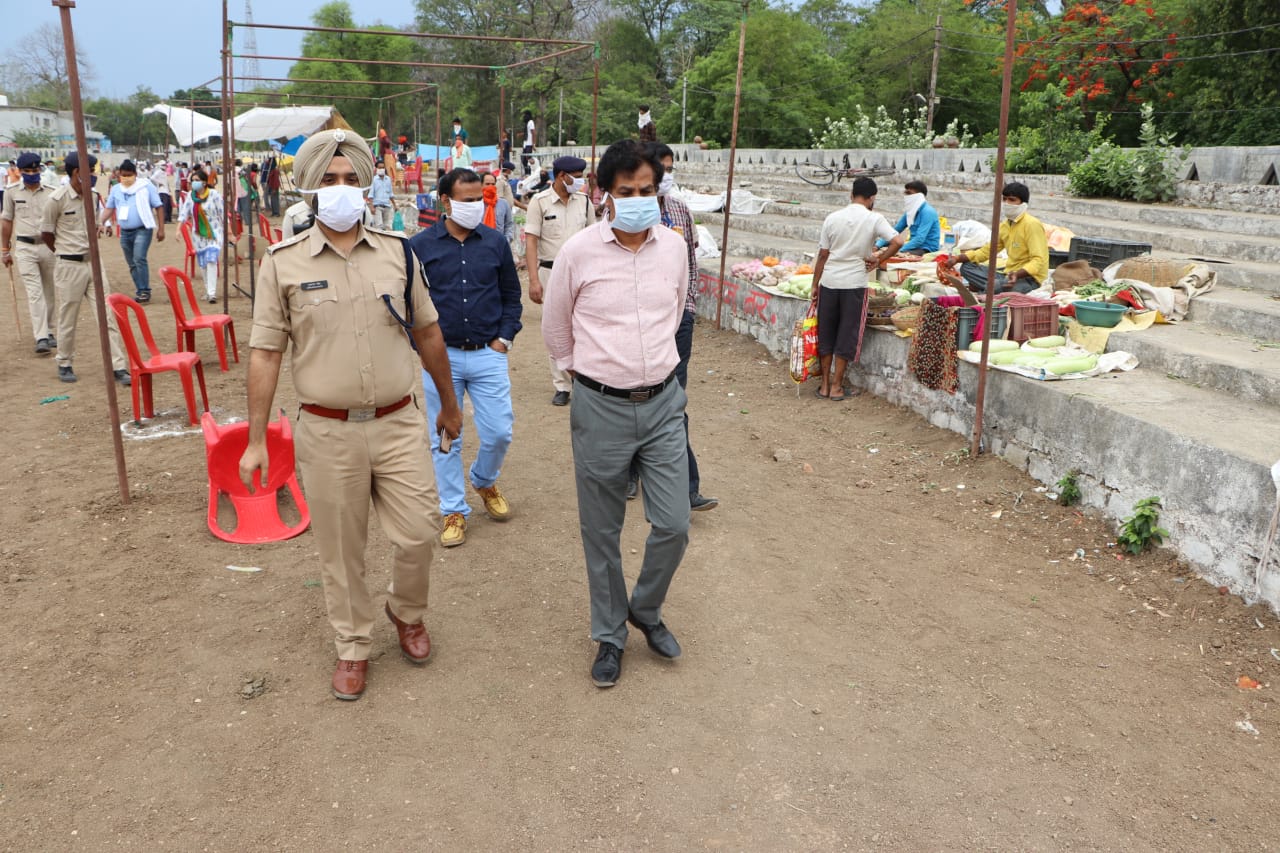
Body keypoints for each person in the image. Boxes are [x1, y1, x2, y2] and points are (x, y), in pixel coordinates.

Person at [240, 129, 462, 702]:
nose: (341, 189)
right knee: (341, 550)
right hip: (326, 429)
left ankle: (406, 613)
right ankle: (352, 646)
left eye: (350, 179)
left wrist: (450, 405)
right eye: (329, 181)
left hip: (398, 421)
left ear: (365, 184)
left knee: (419, 533)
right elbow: (266, 353)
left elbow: (429, 331)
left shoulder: (399, 252)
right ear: (311, 190)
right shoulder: (283, 264)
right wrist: (256, 439)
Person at [542, 139, 691, 688]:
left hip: (662, 403)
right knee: (601, 529)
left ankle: (644, 610)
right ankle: (609, 634)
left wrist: (648, 368)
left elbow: (673, 313)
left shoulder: (673, 248)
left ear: (658, 191)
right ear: (603, 193)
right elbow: (556, 327)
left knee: (674, 524)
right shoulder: (579, 252)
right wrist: (584, 380)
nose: (637, 200)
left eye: (647, 190)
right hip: (600, 406)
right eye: (626, 191)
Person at [408, 168, 522, 549]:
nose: (476, 206)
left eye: (481, 200)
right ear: (445, 200)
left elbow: (511, 295)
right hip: (442, 358)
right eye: (468, 200)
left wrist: (504, 339)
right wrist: (423, 350)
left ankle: (484, 480)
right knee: (444, 436)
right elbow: (407, 304)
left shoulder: (494, 243)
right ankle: (453, 510)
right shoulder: (420, 246)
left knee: (499, 431)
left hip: (488, 352)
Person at [626, 142, 717, 512]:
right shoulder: (620, 213)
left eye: (668, 169)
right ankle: (629, 473)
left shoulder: (680, 211)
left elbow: (691, 266)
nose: (664, 177)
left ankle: (686, 488)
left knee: (672, 402)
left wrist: (688, 309)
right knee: (631, 397)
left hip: (677, 323)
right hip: (633, 323)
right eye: (658, 170)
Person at [38, 151, 131, 386]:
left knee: (107, 315)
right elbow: (47, 234)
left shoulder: (92, 196)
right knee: (68, 318)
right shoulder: (56, 200)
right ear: (77, 172)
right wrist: (63, 251)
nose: (93, 176)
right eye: (90, 171)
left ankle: (118, 366)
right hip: (69, 265)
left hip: (94, 264)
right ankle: (65, 362)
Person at [809, 176, 904, 402]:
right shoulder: (873, 218)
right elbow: (898, 241)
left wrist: (815, 284)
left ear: (851, 195)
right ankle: (837, 387)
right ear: (872, 198)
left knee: (827, 331)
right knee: (847, 333)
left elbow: (823, 255)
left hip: (830, 281)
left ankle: (823, 385)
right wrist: (879, 259)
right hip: (854, 283)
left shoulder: (833, 218)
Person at [524, 155, 596, 406]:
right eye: (575, 177)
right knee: (557, 329)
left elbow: (593, 238)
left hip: (583, 274)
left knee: (584, 326)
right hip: (550, 271)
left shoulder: (585, 202)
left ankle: (582, 380)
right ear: (561, 176)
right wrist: (533, 280)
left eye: (581, 176)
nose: (579, 181)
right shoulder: (539, 202)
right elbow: (531, 241)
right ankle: (562, 385)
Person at [945, 181, 1049, 294]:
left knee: (995, 287)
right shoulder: (1004, 226)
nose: (1007, 203)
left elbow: (1038, 261)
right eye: (1004, 199)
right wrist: (957, 258)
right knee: (967, 268)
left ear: (1023, 203)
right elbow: (987, 251)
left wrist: (1017, 274)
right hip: (1007, 274)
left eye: (1012, 200)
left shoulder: (1031, 224)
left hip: (1028, 278)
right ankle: (990, 287)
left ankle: (987, 288)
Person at [2, 152, 58, 355]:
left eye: (36, 170)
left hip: (48, 246)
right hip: (25, 247)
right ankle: (41, 336)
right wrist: (5, 250)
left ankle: (50, 330)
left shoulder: (52, 192)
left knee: (49, 291)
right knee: (35, 293)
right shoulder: (11, 192)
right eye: (28, 171)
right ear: (20, 171)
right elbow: (7, 221)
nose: (33, 174)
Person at [102, 159, 165, 303]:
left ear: (135, 174)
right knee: (131, 263)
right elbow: (109, 208)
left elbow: (158, 206)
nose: (126, 178)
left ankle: (144, 291)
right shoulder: (116, 189)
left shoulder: (146, 186)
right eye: (123, 176)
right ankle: (140, 288)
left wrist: (161, 228)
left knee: (139, 258)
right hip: (125, 231)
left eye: (129, 175)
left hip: (142, 229)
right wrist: (101, 222)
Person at [177, 167, 232, 303]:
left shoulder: (214, 195)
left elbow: (223, 213)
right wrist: (178, 229)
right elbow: (184, 213)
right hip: (199, 236)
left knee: (212, 259)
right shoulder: (191, 196)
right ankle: (208, 290)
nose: (194, 183)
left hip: (214, 233)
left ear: (204, 182)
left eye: (197, 180)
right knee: (203, 263)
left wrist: (229, 232)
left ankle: (212, 293)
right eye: (192, 181)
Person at [882, 180, 940, 256]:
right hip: (913, 246)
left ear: (919, 196)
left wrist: (898, 250)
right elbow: (895, 230)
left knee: (892, 255)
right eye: (906, 193)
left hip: (926, 248)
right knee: (882, 249)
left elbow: (919, 239)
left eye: (909, 193)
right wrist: (878, 245)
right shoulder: (910, 212)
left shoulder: (928, 212)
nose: (906, 196)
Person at [481, 171, 515, 244]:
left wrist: (506, 240)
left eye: (493, 184)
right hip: (479, 246)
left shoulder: (503, 204)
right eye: (487, 184)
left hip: (499, 246)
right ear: (481, 185)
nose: (490, 186)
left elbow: (509, 224)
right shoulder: (476, 204)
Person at [370, 165, 395, 229]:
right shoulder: (374, 180)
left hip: (387, 206)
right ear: (376, 169)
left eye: (383, 167)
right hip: (377, 206)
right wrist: (371, 206)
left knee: (386, 226)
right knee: (379, 226)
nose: (381, 169)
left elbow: (390, 193)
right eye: (380, 168)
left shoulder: (388, 179)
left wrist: (395, 204)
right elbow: (371, 194)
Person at [520, 110, 535, 175]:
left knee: (528, 158)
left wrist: (534, 144)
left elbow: (533, 133)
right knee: (524, 159)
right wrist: (521, 134)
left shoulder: (531, 122)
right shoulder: (527, 123)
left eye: (525, 115)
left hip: (529, 143)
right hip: (525, 143)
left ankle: (529, 172)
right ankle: (527, 173)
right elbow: (527, 133)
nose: (524, 116)